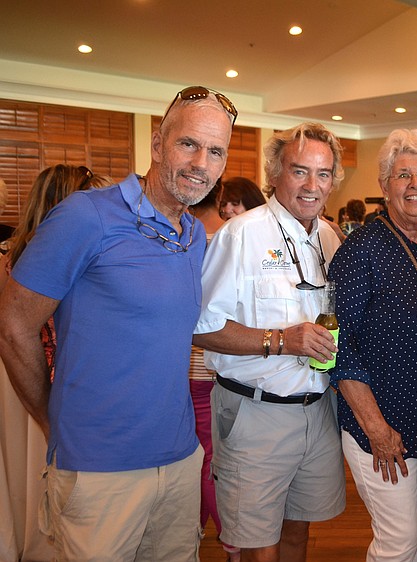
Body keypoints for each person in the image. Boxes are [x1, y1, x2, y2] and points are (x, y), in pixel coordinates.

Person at [0, 85, 236, 561]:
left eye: (215, 151)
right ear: (157, 145)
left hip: (179, 459)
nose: (201, 163)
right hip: (98, 469)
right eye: (189, 144)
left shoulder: (193, 235)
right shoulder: (86, 216)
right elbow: (13, 325)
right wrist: (51, 418)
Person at [193, 122, 347, 562]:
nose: (312, 185)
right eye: (299, 171)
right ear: (275, 173)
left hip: (318, 411)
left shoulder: (329, 238)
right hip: (255, 414)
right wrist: (282, 340)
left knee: (298, 532)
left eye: (322, 174)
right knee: (258, 545)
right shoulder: (240, 235)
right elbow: (201, 328)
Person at [329, 128, 417, 561]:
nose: (415, 184)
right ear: (384, 186)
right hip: (382, 424)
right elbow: (338, 345)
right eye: (403, 175)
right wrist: (376, 428)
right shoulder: (362, 249)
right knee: (399, 542)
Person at [0, 164, 104, 561]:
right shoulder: (46, 253)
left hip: (23, 369)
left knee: (24, 467)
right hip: (45, 371)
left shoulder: (13, 251)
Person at [187, 180, 240, 561]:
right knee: (213, 458)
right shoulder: (230, 238)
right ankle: (228, 540)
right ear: (219, 197)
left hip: (189, 367)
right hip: (219, 366)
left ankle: (208, 535)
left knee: (203, 457)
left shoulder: (183, 239)